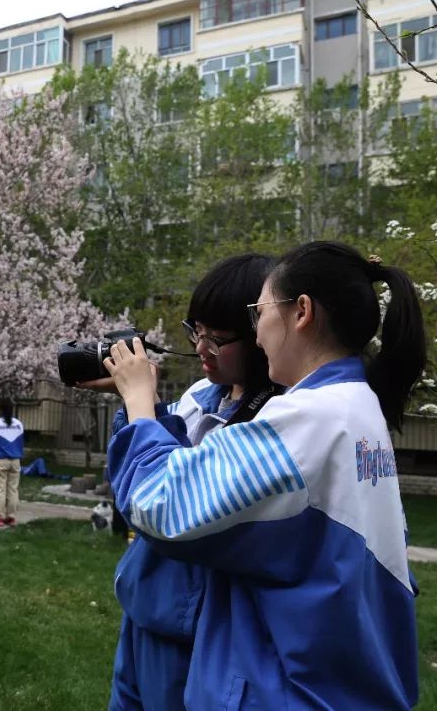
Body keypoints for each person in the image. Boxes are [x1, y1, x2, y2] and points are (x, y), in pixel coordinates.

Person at [104, 241, 425, 709]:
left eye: (259, 313)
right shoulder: (356, 407)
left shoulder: (310, 419)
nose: (257, 336)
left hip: (288, 690)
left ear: (301, 312)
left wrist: (138, 404)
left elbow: (161, 503)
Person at [82, 253, 280, 710]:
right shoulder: (197, 396)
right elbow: (141, 485)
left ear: (260, 334)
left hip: (193, 629)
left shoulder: (271, 419)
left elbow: (178, 498)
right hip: (145, 608)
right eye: (196, 331)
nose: (201, 349)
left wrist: (140, 405)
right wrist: (140, 405)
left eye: (218, 338)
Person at [0, 397, 24, 528]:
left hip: (0, 460)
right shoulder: (19, 424)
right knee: (13, 490)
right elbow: (20, 442)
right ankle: (11, 517)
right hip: (15, 461)